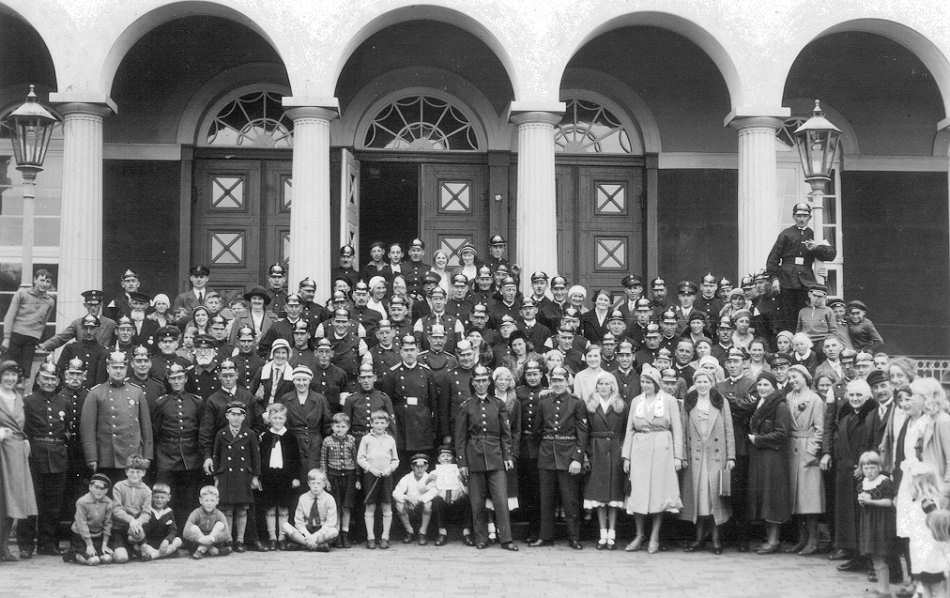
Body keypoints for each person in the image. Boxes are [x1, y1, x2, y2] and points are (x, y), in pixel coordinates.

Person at [622, 364, 685, 554]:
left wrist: (677, 456)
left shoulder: (669, 401)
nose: (645, 385)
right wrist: (627, 456)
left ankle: (655, 536)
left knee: (658, 494)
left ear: (657, 383)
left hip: (662, 450)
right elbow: (629, 430)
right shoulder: (636, 401)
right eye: (643, 381)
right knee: (638, 493)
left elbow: (678, 430)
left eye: (649, 381)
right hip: (640, 449)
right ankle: (640, 534)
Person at [455, 365, 518, 551]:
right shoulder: (466, 406)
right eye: (477, 380)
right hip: (473, 456)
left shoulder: (498, 404)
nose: (481, 384)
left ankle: (506, 539)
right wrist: (462, 463)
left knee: (500, 499)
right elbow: (460, 438)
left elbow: (506, 434)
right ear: (473, 383)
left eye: (484, 380)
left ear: (489, 382)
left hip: (496, 456)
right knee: (477, 501)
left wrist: (507, 455)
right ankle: (480, 538)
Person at [530, 366, 588, 549]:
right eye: (554, 380)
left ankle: (574, 537)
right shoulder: (543, 402)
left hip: (568, 455)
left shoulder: (576, 403)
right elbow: (537, 430)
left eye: (560, 380)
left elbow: (582, 432)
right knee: (546, 499)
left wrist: (577, 458)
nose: (557, 383)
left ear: (567, 381)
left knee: (570, 499)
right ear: (550, 381)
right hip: (546, 454)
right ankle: (545, 536)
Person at [680, 369, 735, 555]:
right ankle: (699, 538)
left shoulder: (720, 401)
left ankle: (716, 539)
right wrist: (683, 456)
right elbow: (683, 430)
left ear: (712, 382)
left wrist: (731, 457)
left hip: (716, 457)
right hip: (696, 457)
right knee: (699, 499)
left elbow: (728, 430)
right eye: (699, 381)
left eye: (706, 381)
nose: (702, 385)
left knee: (714, 499)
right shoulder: (689, 401)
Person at [826, 378, 880, 570]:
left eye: (859, 395)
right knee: (848, 517)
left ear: (867, 397)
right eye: (852, 395)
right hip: (844, 470)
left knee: (863, 516)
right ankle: (855, 556)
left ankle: (869, 560)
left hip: (863, 471)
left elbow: (874, 442)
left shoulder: (872, 414)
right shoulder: (846, 414)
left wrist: (863, 466)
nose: (855, 399)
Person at [20, 362, 72, 557]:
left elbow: (66, 429)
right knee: (32, 501)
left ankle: (47, 543)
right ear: (38, 379)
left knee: (53, 503)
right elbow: (23, 430)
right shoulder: (28, 401)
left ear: (58, 381)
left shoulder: (63, 402)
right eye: (46, 378)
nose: (49, 382)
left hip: (57, 455)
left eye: (53, 379)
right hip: (35, 454)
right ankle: (26, 544)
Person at [80, 351, 153, 483]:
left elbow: (146, 427)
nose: (118, 371)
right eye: (115, 367)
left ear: (127, 369)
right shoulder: (96, 393)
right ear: (108, 368)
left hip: (133, 455)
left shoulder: (137, 392)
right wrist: (92, 457)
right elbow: (88, 430)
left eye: (121, 368)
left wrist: (147, 455)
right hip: (107, 456)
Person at [765, 201, 837, 332]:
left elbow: (831, 254)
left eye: (805, 216)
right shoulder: (785, 234)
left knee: (805, 313)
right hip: (787, 280)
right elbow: (772, 260)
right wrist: (774, 278)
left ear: (809, 217)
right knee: (787, 315)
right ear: (794, 217)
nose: (801, 219)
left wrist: (816, 248)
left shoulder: (815, 235)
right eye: (798, 216)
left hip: (806, 281)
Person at [746, 371, 791, 554]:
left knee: (772, 497)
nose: (762, 388)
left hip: (773, 457)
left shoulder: (779, 405)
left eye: (766, 385)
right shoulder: (760, 403)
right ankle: (769, 538)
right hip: (761, 456)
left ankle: (774, 540)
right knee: (763, 496)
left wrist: (758, 439)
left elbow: (782, 433)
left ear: (773, 387)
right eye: (760, 385)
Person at [584, 371, 628, 551]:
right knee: (599, 495)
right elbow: (584, 431)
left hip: (615, 450)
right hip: (597, 450)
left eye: (607, 384)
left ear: (613, 386)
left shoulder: (620, 405)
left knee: (614, 494)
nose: (603, 387)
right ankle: (602, 533)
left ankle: (612, 533)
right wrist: (587, 453)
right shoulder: (590, 406)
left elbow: (626, 430)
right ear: (596, 387)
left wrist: (624, 451)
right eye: (600, 384)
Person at [784, 364, 826, 556]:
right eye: (790, 378)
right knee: (796, 499)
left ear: (805, 377)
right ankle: (801, 539)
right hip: (791, 450)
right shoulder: (789, 397)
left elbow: (820, 429)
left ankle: (813, 540)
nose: (793, 381)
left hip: (807, 449)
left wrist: (811, 453)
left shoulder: (815, 399)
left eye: (796, 377)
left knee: (810, 499)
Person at [212, 401, 262, 553]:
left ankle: (240, 540)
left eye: (239, 414)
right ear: (227, 416)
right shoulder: (221, 434)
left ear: (244, 417)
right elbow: (216, 455)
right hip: (226, 474)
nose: (236, 418)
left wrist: (255, 476)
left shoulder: (250, 434)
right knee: (227, 509)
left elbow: (256, 457)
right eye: (232, 414)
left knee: (242, 509)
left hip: (243, 476)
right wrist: (216, 476)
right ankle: (228, 539)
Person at [0, 360, 38, 560]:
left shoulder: (19, 398)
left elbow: (23, 425)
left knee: (12, 501)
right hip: (1, 450)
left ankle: (3, 548)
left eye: (14, 376)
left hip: (15, 452)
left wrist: (25, 440)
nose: (10, 379)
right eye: (6, 374)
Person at [258, 402, 301, 551]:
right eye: (274, 418)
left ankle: (282, 537)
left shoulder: (290, 437)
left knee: (283, 508)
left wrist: (295, 477)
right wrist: (259, 477)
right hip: (269, 476)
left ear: (285, 419)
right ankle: (272, 537)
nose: (277, 421)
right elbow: (260, 458)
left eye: (280, 418)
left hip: (285, 476)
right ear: (269, 418)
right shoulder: (264, 437)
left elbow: (296, 459)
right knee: (270, 507)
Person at [857, 450, 898, 597]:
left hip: (881, 523)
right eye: (866, 468)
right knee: (874, 556)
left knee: (880, 556)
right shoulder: (864, 482)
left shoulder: (884, 482)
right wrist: (862, 500)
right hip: (869, 523)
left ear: (879, 467)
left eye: (873, 467)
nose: (869, 471)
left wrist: (870, 501)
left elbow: (889, 502)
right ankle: (881, 587)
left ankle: (885, 589)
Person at [1, 269, 56, 380]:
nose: (44, 284)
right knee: (8, 368)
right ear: (35, 280)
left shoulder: (50, 301)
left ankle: (20, 396)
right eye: (42, 280)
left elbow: (44, 322)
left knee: (25, 372)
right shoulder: (22, 293)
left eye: (48, 281)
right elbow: (10, 315)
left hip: (31, 339)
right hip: (16, 336)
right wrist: (7, 338)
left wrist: (37, 337)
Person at [357, 409, 399, 549]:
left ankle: (385, 537)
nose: (379, 425)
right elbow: (360, 458)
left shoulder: (390, 440)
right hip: (371, 476)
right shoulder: (366, 439)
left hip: (386, 476)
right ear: (371, 424)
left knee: (386, 505)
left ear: (387, 424)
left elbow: (395, 460)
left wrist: (389, 470)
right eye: (376, 422)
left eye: (382, 422)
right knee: (370, 506)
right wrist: (371, 469)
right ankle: (371, 537)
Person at [279, 365, 331, 472]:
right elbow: (281, 423)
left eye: (304, 380)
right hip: (293, 443)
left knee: (314, 475)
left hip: (315, 444)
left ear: (309, 381)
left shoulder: (320, 399)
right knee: (295, 475)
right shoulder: (286, 399)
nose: (301, 383)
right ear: (293, 381)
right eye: (298, 380)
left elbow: (327, 424)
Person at [320, 412, 358, 548]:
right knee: (335, 506)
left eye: (343, 426)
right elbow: (323, 460)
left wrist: (357, 478)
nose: (339, 429)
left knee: (346, 506)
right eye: (337, 426)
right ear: (332, 426)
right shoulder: (327, 441)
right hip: (333, 476)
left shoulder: (352, 440)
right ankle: (335, 535)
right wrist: (325, 479)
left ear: (347, 427)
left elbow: (356, 459)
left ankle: (345, 534)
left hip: (349, 475)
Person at [39, 289, 116, 352]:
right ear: (85, 305)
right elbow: (61, 337)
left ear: (101, 304)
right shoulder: (78, 323)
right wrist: (44, 346)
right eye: (90, 305)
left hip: (102, 363)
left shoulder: (110, 324)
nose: (93, 308)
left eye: (95, 305)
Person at [282, 468, 339, 552]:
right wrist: (308, 535)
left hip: (321, 531)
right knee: (285, 526)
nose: (315, 486)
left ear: (324, 484)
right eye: (313, 483)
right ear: (308, 484)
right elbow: (298, 522)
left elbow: (330, 523)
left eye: (319, 483)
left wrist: (314, 536)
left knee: (334, 531)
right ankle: (316, 546)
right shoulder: (303, 498)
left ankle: (304, 545)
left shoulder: (329, 499)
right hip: (306, 530)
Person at [63, 473, 114, 565]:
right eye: (96, 487)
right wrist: (89, 545)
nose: (99, 491)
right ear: (90, 487)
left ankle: (94, 551)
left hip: (97, 535)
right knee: (93, 561)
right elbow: (81, 524)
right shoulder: (82, 502)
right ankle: (73, 554)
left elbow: (108, 523)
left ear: (106, 490)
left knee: (107, 559)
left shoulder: (108, 502)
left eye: (103, 488)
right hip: (81, 536)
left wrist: (104, 543)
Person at [109, 455, 152, 563]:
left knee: (138, 532)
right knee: (121, 558)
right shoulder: (119, 486)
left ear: (143, 473)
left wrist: (138, 521)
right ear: (126, 472)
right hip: (119, 527)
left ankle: (137, 545)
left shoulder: (146, 490)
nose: (135, 475)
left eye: (138, 472)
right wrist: (130, 520)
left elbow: (146, 513)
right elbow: (116, 510)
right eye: (132, 472)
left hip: (136, 528)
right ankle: (129, 549)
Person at [393, 453, 438, 545]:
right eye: (417, 466)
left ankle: (422, 532)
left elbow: (434, 491)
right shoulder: (407, 478)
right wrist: (407, 498)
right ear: (412, 467)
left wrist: (420, 499)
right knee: (399, 505)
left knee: (428, 504)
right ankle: (409, 531)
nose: (419, 469)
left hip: (422, 506)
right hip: (410, 506)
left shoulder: (429, 478)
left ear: (426, 467)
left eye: (422, 466)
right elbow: (396, 493)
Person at [431, 445, 471, 546]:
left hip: (457, 505)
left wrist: (463, 481)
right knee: (437, 500)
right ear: (438, 459)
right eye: (443, 456)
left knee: (466, 499)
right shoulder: (434, 473)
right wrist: (429, 480)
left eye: (448, 455)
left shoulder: (458, 472)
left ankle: (466, 533)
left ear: (453, 458)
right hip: (442, 506)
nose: (446, 458)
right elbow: (427, 490)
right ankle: (442, 533)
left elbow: (467, 492)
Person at [182, 485, 232, 559]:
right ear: (201, 500)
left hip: (214, 540)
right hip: (199, 540)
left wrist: (212, 538)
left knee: (220, 525)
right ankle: (213, 550)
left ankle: (202, 549)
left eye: (212, 500)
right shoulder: (196, 512)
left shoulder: (219, 514)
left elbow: (227, 534)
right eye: (206, 500)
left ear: (217, 501)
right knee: (194, 527)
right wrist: (201, 539)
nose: (209, 503)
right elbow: (185, 532)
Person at [138, 482, 182, 561]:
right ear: (152, 497)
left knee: (178, 541)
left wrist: (167, 540)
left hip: (163, 543)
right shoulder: (148, 511)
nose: (159, 500)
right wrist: (144, 543)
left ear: (168, 498)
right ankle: (160, 554)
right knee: (142, 547)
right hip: (150, 543)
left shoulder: (169, 512)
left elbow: (173, 530)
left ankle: (155, 555)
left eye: (162, 497)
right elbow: (143, 530)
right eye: (156, 497)